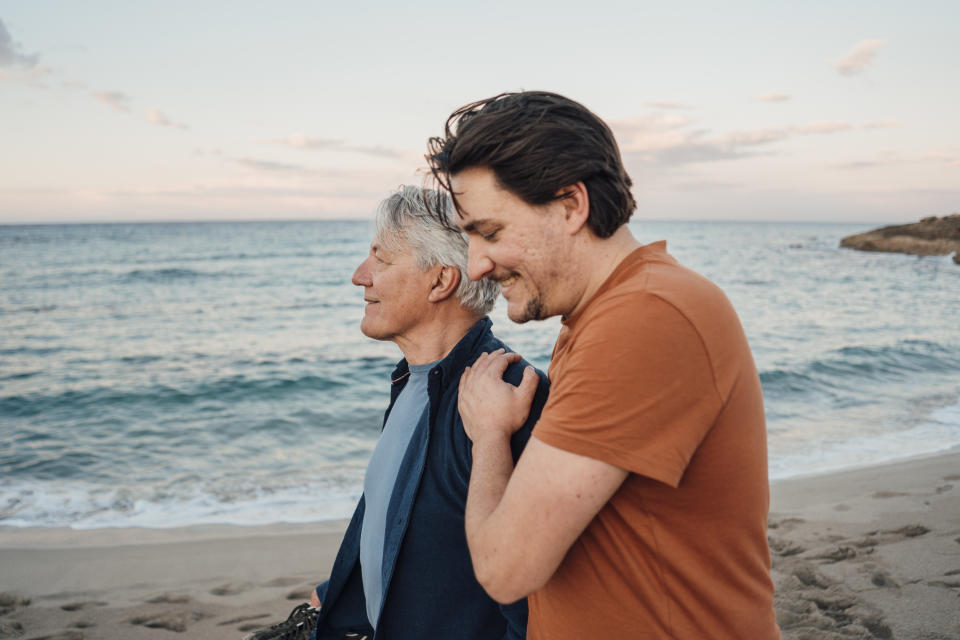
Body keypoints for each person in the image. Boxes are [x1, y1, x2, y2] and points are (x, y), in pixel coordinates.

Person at [425, 92, 781, 639]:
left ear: (571, 205)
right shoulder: (601, 315)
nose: (475, 266)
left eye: (490, 232)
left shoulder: (644, 316)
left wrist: (490, 436)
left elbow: (505, 569)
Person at [246, 186, 548, 640]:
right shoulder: (414, 379)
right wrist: (336, 591)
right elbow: (403, 522)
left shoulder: (509, 397)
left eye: (381, 260)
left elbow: (534, 608)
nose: (359, 276)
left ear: (441, 281)